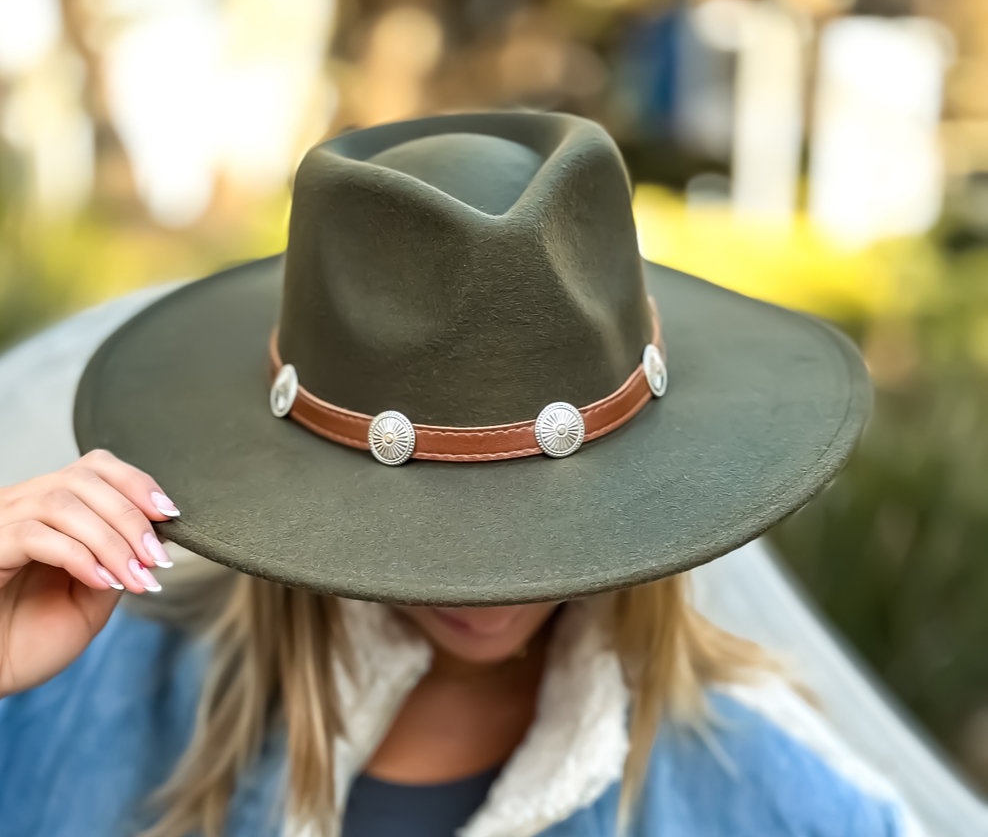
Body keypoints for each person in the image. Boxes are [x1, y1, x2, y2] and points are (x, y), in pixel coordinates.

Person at [0, 112, 916, 837]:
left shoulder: (766, 794)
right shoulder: (79, 699)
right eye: (433, 520)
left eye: (531, 514)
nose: (484, 588)